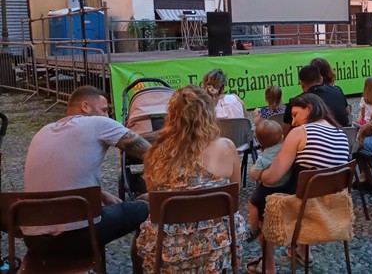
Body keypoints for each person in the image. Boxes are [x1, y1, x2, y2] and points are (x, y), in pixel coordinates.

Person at [23, 86, 151, 261]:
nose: (107, 116)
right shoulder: (99, 123)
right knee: (147, 204)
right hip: (78, 237)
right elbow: (152, 153)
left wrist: (101, 194)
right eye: (104, 110)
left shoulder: (42, 131)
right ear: (86, 106)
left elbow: (60, 178)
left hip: (34, 241)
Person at [137, 85, 245, 273]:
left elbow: (154, 198)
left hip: (169, 249)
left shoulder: (156, 153)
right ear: (209, 114)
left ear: (172, 115)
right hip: (218, 242)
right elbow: (235, 191)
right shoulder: (226, 147)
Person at [247, 93, 350, 273]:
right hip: (331, 206)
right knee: (305, 185)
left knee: (264, 196)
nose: (293, 121)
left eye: (295, 114)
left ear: (308, 108)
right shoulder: (340, 132)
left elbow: (273, 177)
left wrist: (259, 174)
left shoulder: (300, 133)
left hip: (302, 206)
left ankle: (268, 265)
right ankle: (303, 251)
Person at [247, 120, 288, 242]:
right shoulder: (286, 149)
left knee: (252, 204)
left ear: (259, 142)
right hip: (287, 185)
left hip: (268, 189)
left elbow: (255, 176)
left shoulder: (263, 157)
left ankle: (254, 228)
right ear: (282, 137)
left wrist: (253, 169)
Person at [282, 65, 350, 136]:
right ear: (321, 79)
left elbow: (286, 133)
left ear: (302, 84)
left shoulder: (295, 103)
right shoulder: (337, 90)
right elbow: (347, 112)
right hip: (347, 140)